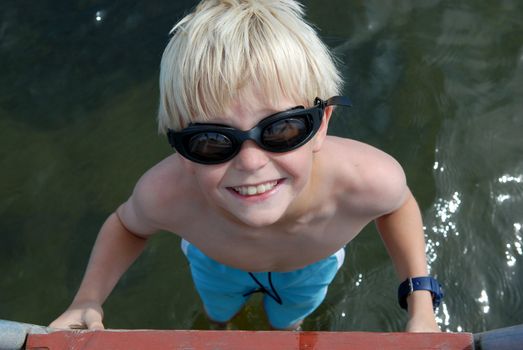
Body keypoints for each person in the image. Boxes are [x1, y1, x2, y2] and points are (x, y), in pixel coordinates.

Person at [50, 0, 441, 332]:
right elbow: (126, 225)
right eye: (210, 141)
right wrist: (89, 298)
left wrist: (420, 299)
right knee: (216, 314)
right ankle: (219, 327)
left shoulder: (365, 179)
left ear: (321, 124)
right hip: (217, 266)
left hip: (309, 270)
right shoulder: (167, 194)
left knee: (288, 322)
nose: (251, 163)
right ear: (182, 149)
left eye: (283, 129)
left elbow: (397, 206)